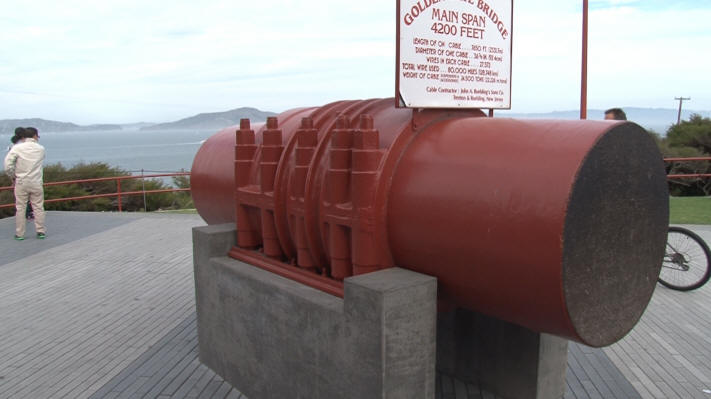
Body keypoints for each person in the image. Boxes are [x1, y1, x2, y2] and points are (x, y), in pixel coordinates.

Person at [3, 126, 47, 240]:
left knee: (21, 208)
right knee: (38, 207)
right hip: (36, 182)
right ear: (34, 135)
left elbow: (8, 165)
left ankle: (19, 234)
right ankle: (40, 231)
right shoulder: (41, 149)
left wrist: (13, 176)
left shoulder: (17, 148)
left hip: (21, 181)